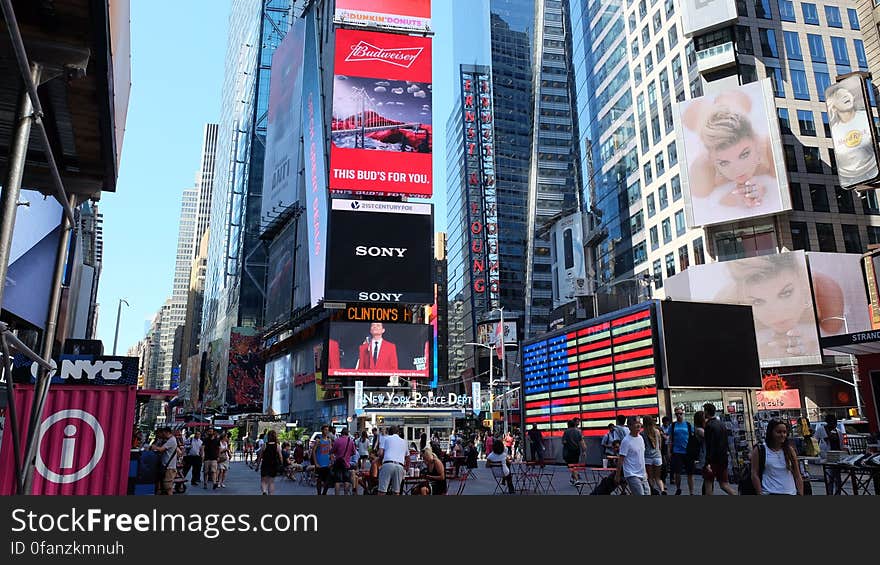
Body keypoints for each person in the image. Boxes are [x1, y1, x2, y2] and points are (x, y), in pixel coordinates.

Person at [682, 87, 781, 225]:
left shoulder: (769, 147)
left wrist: (763, 190)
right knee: (693, 113)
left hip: (737, 103)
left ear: (756, 143)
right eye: (724, 162)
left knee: (734, 98)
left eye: (744, 154)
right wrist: (734, 200)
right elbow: (704, 210)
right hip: (702, 118)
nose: (737, 169)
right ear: (712, 159)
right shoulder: (702, 169)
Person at [717, 253, 838, 361]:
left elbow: (840, 345)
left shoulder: (824, 289)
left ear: (801, 279)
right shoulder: (726, 304)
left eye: (786, 293)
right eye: (757, 301)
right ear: (741, 295)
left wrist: (814, 347)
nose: (776, 312)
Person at [826, 79, 878, 186]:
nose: (845, 96)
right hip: (850, 177)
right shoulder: (836, 129)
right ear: (834, 107)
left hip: (873, 167)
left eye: (846, 93)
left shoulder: (865, 117)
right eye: (839, 96)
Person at [750, 419, 804, 495]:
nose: (782, 435)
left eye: (784, 432)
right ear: (771, 433)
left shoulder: (789, 450)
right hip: (769, 492)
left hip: (790, 493)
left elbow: (797, 475)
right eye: (778, 432)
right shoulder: (760, 450)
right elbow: (754, 474)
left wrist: (800, 493)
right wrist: (760, 493)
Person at [702, 403, 737, 496]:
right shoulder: (721, 424)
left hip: (713, 460)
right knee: (724, 484)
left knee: (708, 483)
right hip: (723, 458)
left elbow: (710, 445)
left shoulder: (709, 425)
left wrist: (708, 461)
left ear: (706, 411)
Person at [617, 416, 649, 496]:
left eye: (639, 423)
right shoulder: (626, 441)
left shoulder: (641, 438)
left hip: (642, 473)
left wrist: (645, 471)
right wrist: (617, 475)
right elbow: (621, 459)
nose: (638, 425)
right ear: (629, 426)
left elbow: (641, 457)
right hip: (631, 474)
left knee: (647, 493)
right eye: (635, 423)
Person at [667, 407, 696, 495]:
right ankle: (678, 488)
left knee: (690, 473)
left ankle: (691, 492)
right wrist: (669, 451)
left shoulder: (688, 425)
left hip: (688, 452)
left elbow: (693, 437)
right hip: (677, 452)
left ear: (683, 414)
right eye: (677, 414)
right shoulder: (672, 426)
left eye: (680, 413)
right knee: (677, 472)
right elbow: (670, 439)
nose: (679, 415)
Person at [377, 425, 408, 495]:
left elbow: (380, 453)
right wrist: (406, 469)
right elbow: (408, 458)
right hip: (400, 466)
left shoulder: (385, 439)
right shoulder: (404, 441)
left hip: (387, 464)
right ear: (398, 432)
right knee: (396, 492)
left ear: (389, 432)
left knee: (382, 491)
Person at [641, 416, 666, 495]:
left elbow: (643, 446)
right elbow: (660, 444)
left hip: (648, 457)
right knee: (658, 478)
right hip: (658, 457)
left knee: (651, 477)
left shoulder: (642, 433)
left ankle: (652, 491)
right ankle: (662, 490)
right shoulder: (657, 431)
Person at [151, 427, 178, 496]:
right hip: (166, 466)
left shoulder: (171, 440)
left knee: (168, 487)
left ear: (167, 432)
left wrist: (154, 447)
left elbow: (161, 449)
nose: (162, 435)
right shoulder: (169, 439)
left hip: (169, 467)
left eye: (163, 433)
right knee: (165, 486)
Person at [330, 428, 357, 496]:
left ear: (341, 433)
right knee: (346, 480)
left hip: (338, 462)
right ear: (347, 433)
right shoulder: (350, 441)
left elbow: (332, 451)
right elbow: (354, 452)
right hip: (346, 463)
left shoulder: (337, 440)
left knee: (337, 481)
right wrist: (347, 455)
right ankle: (346, 494)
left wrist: (337, 454)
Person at [562, 418, 587, 484]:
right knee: (575, 464)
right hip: (577, 450)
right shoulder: (578, 431)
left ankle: (576, 480)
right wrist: (584, 451)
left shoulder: (566, 432)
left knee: (572, 466)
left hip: (569, 451)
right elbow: (582, 442)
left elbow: (564, 441)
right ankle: (573, 478)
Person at [260, 430, 283, 495]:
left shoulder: (264, 445)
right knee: (271, 482)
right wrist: (281, 464)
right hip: (273, 465)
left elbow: (260, 456)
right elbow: (280, 457)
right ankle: (271, 494)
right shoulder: (277, 446)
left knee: (263, 481)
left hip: (265, 464)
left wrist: (257, 465)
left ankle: (264, 491)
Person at [312, 425, 333, 495]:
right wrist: (316, 463)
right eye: (325, 430)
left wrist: (331, 461)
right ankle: (319, 494)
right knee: (319, 480)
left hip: (327, 463)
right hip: (320, 464)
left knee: (327, 480)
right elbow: (313, 452)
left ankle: (324, 493)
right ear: (322, 431)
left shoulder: (329, 440)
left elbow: (330, 451)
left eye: (327, 430)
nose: (326, 431)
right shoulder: (318, 441)